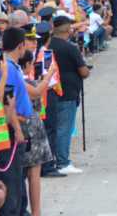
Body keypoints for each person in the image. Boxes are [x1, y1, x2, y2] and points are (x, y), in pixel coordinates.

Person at [0, 27, 32, 215]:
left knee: (18, 177)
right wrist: (17, 128)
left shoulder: (12, 67)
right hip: (10, 128)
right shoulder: (7, 69)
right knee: (12, 180)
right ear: (20, 45)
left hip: (17, 124)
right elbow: (8, 103)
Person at [43, 15, 89, 177]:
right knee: (65, 128)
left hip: (52, 91)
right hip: (68, 92)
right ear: (68, 29)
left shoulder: (48, 46)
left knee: (54, 128)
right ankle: (63, 161)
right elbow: (83, 71)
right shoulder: (71, 48)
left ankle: (54, 159)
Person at [20, 25, 58, 216]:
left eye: (35, 40)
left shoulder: (39, 57)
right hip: (26, 123)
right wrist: (47, 76)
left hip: (35, 118)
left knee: (30, 172)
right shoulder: (18, 66)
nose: (34, 43)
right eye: (30, 40)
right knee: (28, 172)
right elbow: (35, 91)